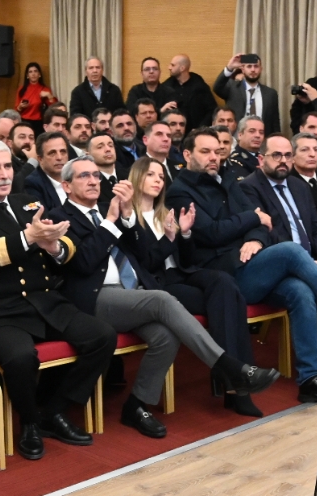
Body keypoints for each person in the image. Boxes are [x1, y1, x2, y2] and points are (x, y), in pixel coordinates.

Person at [169, 128, 317, 408]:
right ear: (187, 155)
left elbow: (262, 225)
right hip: (225, 275)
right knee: (292, 251)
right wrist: (252, 220)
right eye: (205, 152)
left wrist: (255, 235)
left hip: (251, 263)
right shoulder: (179, 192)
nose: (213, 157)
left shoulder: (227, 180)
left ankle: (310, 378)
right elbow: (212, 233)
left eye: (217, 152)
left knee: (300, 291)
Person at [56, 156, 276, 438]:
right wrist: (112, 221)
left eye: (96, 176)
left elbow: (140, 253)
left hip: (133, 291)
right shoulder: (61, 217)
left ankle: (136, 405)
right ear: (66, 185)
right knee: (162, 299)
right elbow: (84, 263)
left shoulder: (108, 209)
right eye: (84, 176)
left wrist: (133, 219)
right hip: (96, 298)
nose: (92, 181)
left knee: (166, 336)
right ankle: (229, 367)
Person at [0, 138, 113, 461]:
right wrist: (27, 238)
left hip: (41, 301)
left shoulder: (27, 204)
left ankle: (55, 410)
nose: (4, 174)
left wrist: (54, 247)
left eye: (8, 166)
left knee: (102, 336)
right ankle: (30, 422)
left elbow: (65, 250)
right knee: (21, 357)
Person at [214, 54, 280, 137]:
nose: (253, 70)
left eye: (256, 66)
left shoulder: (270, 94)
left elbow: (275, 123)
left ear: (261, 69)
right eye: (249, 66)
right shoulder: (232, 88)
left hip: (261, 139)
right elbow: (217, 87)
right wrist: (229, 68)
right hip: (236, 138)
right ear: (243, 69)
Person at [160, 54, 215, 128]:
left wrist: (201, 128)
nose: (169, 68)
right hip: (173, 130)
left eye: (173, 65)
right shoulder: (167, 87)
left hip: (195, 130)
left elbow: (212, 110)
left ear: (182, 68)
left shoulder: (200, 86)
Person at [26, 131, 71, 212]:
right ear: (40, 159)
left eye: (63, 152)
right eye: (52, 153)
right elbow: (44, 216)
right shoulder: (32, 184)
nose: (59, 157)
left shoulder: (74, 177)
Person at [14, 63, 55, 131]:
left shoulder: (45, 89)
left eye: (35, 71)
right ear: (27, 76)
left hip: (39, 123)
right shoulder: (21, 89)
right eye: (30, 72)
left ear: (39, 74)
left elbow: (53, 109)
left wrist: (49, 96)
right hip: (24, 121)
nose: (33, 74)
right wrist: (20, 107)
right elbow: (16, 110)